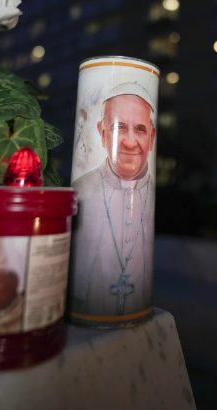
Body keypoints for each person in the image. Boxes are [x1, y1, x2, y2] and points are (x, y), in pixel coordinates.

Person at [69, 82, 156, 317]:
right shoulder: (81, 190)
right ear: (102, 133)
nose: (130, 142)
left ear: (152, 136)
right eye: (119, 127)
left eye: (140, 129)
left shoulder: (155, 195)